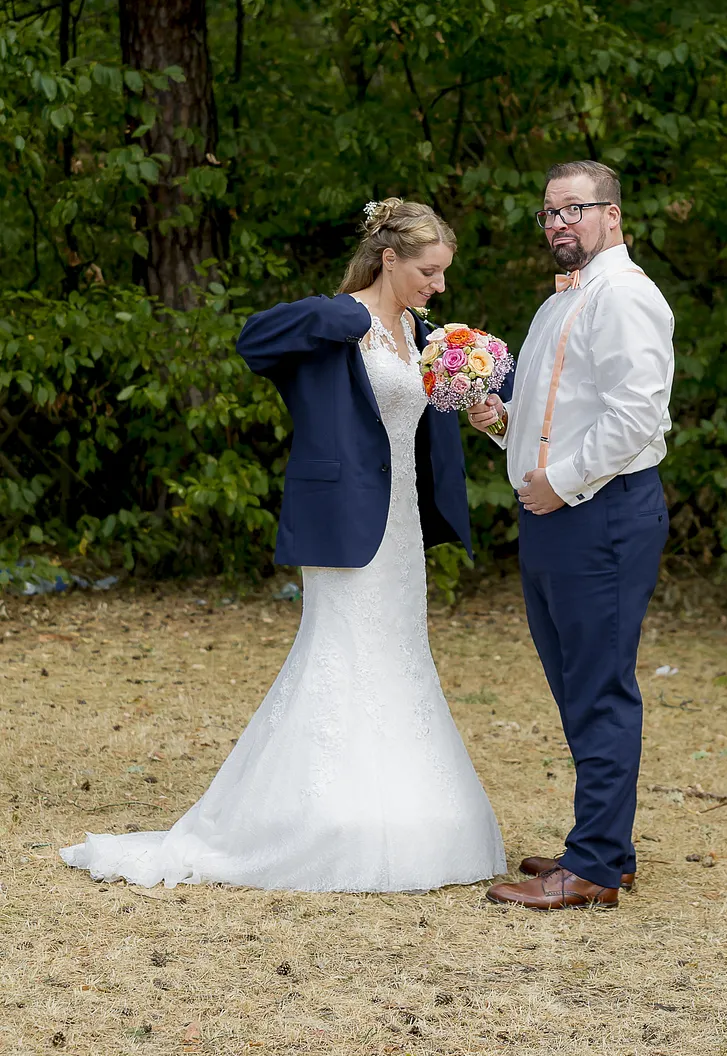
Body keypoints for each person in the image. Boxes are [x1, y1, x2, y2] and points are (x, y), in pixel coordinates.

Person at [60, 198, 506, 893]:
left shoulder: (420, 329)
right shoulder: (335, 321)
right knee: (340, 653)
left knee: (399, 653)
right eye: (428, 270)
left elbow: (413, 426)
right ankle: (317, 819)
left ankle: (408, 810)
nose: (438, 285)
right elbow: (253, 340)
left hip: (401, 523)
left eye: (443, 272)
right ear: (389, 259)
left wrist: (470, 399)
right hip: (341, 517)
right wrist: (354, 314)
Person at [468, 161, 674, 910]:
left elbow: (635, 417)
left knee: (598, 690)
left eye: (574, 209)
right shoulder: (559, 303)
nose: (559, 223)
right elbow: (557, 418)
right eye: (549, 212)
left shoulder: (623, 296)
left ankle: (590, 867)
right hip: (556, 513)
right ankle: (604, 847)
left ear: (612, 215)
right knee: (573, 683)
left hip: (602, 512)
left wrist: (562, 483)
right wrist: (502, 428)